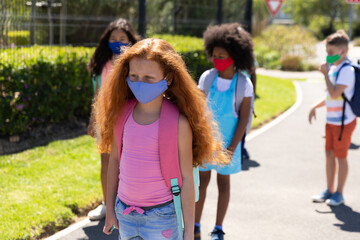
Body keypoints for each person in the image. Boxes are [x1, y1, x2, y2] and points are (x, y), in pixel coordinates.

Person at [95, 38, 229, 240]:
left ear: (168, 78)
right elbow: (114, 161)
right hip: (125, 214)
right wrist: (111, 211)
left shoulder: (178, 123)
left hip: (162, 218)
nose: (140, 83)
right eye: (134, 76)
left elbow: (186, 179)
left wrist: (189, 232)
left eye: (149, 77)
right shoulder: (121, 115)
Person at [195, 23, 254, 240]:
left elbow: (244, 120)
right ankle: (195, 224)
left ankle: (218, 227)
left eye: (223, 55)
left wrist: (231, 148)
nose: (217, 59)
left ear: (236, 56)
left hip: (230, 143)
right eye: (214, 54)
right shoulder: (207, 78)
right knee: (201, 183)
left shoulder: (243, 84)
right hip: (205, 142)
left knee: (223, 183)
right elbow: (198, 111)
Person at [87, 18, 139, 220]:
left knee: (128, 161)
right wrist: (93, 120)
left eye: (122, 38)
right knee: (106, 161)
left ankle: (129, 202)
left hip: (129, 120)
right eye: (114, 38)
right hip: (105, 121)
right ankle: (107, 204)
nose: (117, 42)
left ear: (131, 40)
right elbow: (97, 94)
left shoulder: (134, 64)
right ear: (106, 40)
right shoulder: (102, 64)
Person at [309, 30, 356, 207]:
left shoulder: (347, 70)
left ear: (342, 51)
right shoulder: (335, 69)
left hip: (344, 123)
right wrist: (315, 106)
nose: (327, 56)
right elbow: (330, 96)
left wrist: (324, 74)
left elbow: (335, 93)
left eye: (331, 53)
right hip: (332, 121)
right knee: (329, 154)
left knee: (340, 156)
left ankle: (339, 193)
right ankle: (329, 189)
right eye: (327, 52)